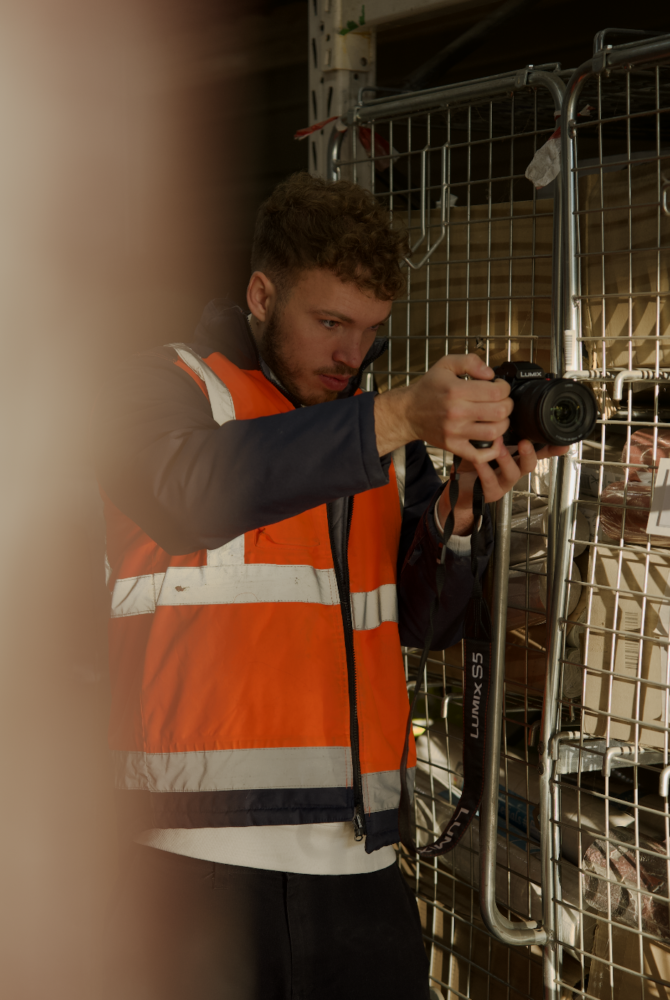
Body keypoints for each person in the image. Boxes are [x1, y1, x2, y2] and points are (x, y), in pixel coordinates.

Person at [95, 173, 566, 1000]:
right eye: (329, 324)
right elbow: (191, 493)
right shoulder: (167, 388)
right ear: (261, 293)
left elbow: (424, 621)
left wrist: (458, 515)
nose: (352, 355)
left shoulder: (379, 439)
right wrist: (395, 416)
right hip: (192, 868)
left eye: (372, 330)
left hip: (362, 871)